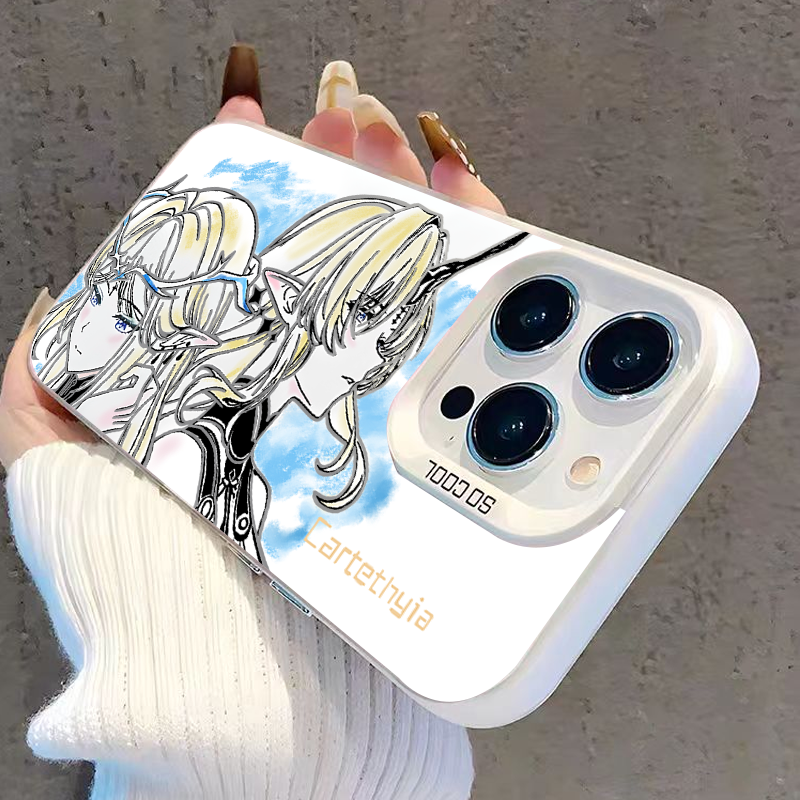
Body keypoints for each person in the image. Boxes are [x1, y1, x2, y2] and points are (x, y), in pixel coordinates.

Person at [0, 47, 507, 799]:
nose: (388, 351)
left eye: (407, 322)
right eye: (377, 311)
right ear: (304, 287)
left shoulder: (277, 476)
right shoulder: (201, 438)